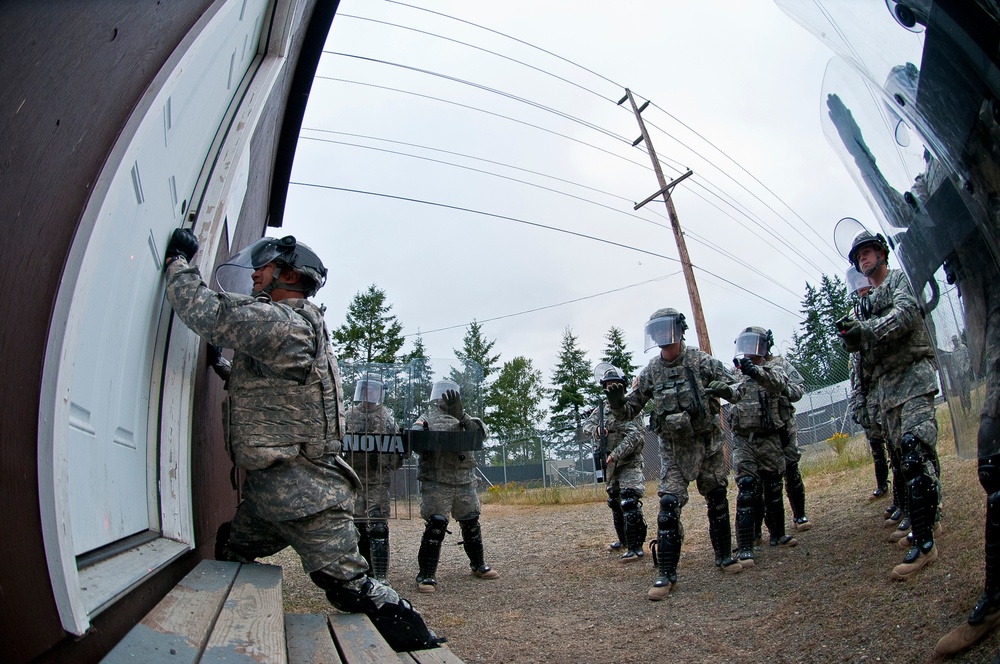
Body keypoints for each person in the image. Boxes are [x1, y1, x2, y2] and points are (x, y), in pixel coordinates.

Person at [161, 228, 440, 651]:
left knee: (351, 588)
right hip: (269, 495)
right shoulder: (300, 326)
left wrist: (178, 261)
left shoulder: (281, 322)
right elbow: (282, 395)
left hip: (306, 498)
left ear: (288, 276)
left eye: (265, 267)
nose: (255, 274)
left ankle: (425, 650)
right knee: (232, 548)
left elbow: (208, 312)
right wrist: (224, 368)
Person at [605, 308, 742, 602]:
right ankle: (666, 573)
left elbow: (738, 385)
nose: (662, 338)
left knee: (717, 498)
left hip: (707, 446)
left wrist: (727, 390)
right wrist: (616, 401)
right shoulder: (651, 372)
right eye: (656, 332)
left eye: (666, 330)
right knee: (667, 507)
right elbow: (629, 411)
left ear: (678, 331)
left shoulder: (700, 361)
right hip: (674, 451)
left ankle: (724, 556)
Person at [838, 229, 941, 580]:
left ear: (881, 254)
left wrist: (864, 332)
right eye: (859, 257)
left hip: (913, 378)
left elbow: (905, 316)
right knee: (905, 458)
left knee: (915, 452)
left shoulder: (900, 281)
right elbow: (862, 356)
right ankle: (923, 519)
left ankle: (925, 541)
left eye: (868, 253)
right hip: (887, 391)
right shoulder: (863, 304)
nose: (864, 260)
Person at [412, 379, 499, 593]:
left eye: (448, 394)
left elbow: (481, 434)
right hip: (436, 480)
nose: (444, 398)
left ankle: (478, 565)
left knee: (470, 522)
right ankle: (426, 576)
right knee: (436, 524)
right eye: (441, 394)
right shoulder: (426, 418)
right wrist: (421, 434)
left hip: (463, 479)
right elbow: (414, 438)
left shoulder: (465, 418)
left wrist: (461, 415)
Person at [726, 327, 799, 570]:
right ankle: (746, 544)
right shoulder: (736, 373)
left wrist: (756, 371)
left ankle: (777, 534)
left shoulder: (774, 367)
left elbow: (781, 384)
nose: (749, 350)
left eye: (754, 344)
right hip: (744, 439)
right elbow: (727, 388)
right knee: (746, 488)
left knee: (773, 485)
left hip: (770, 437)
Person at [583, 364, 647, 563]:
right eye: (608, 385)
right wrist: (597, 431)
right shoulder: (602, 409)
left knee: (629, 500)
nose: (611, 388)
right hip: (610, 463)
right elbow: (587, 426)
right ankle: (623, 541)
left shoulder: (631, 408)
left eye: (615, 385)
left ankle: (636, 547)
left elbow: (635, 436)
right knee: (615, 501)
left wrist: (616, 454)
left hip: (629, 462)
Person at [343, 373, 402, 582]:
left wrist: (392, 460)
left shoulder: (387, 417)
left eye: (375, 389)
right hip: (354, 480)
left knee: (378, 526)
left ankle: (380, 575)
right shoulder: (348, 416)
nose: (370, 393)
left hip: (377, 480)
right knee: (357, 526)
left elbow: (398, 450)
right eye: (367, 389)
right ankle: (361, 571)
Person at [845, 267, 896, 507]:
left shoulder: (882, 302)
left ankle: (901, 496)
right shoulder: (854, 313)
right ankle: (882, 484)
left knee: (895, 443)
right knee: (875, 442)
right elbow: (854, 361)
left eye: (862, 280)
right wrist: (857, 398)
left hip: (883, 382)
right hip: (864, 385)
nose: (861, 286)